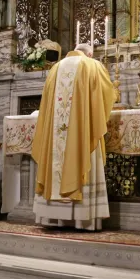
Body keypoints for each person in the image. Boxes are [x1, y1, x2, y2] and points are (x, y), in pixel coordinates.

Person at [31, 44, 116, 231]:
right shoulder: (92, 65)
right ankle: (82, 219)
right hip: (81, 133)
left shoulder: (54, 69)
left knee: (55, 159)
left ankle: (52, 218)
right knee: (82, 155)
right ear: (90, 53)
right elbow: (108, 93)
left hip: (55, 133)